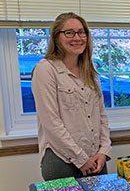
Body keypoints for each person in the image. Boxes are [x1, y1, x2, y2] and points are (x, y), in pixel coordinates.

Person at [32, 12, 111, 181]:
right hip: (62, 162)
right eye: (69, 33)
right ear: (56, 37)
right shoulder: (46, 70)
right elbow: (51, 123)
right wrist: (81, 159)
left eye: (81, 32)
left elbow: (102, 117)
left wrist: (104, 150)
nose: (77, 38)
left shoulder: (90, 72)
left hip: (96, 160)